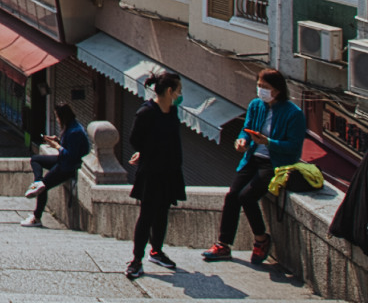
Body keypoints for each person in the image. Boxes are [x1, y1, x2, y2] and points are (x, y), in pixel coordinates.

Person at [205, 68, 307, 264]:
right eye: (259, 85)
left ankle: (261, 239)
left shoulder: (294, 114)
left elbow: (294, 147)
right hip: (252, 158)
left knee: (247, 196)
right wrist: (242, 140)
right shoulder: (256, 105)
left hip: (274, 163)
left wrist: (268, 142)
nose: (261, 90)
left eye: (265, 87)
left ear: (277, 90)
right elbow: (246, 129)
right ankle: (223, 244)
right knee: (232, 195)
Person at [126, 71, 186, 279]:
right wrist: (146, 153)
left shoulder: (172, 111)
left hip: (170, 171)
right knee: (147, 215)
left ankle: (156, 250)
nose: (180, 95)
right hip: (151, 172)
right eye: (179, 90)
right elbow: (135, 139)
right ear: (170, 91)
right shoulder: (146, 112)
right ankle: (136, 260)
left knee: (162, 213)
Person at [22, 103, 90, 226]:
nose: (57, 120)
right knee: (35, 159)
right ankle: (37, 182)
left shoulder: (75, 131)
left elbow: (70, 156)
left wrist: (57, 146)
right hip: (62, 161)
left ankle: (36, 218)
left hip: (68, 167)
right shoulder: (71, 126)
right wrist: (57, 140)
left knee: (43, 186)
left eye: (57, 117)